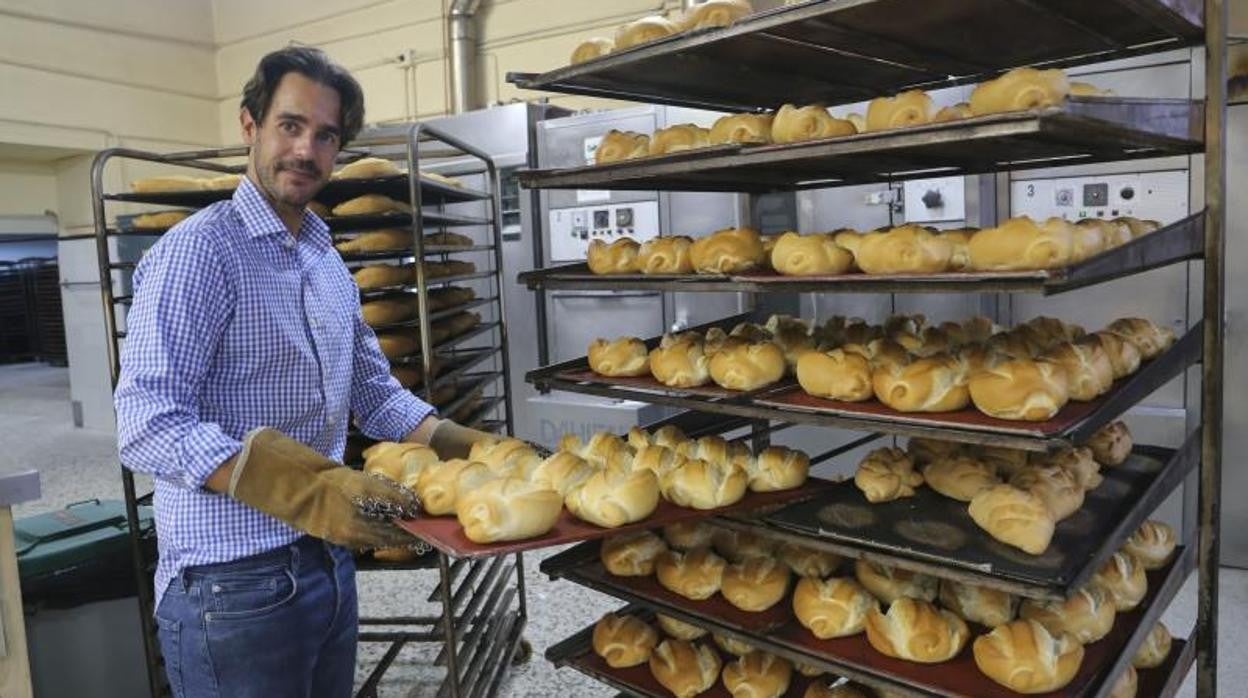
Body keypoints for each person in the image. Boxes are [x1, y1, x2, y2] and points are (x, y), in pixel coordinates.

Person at [114, 46, 494, 698]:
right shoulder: (199, 255)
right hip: (230, 586)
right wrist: (302, 489)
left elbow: (373, 393)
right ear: (249, 126)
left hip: (325, 561)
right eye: (290, 125)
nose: (305, 150)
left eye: (325, 135)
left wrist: (475, 447)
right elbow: (144, 421)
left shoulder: (322, 259)